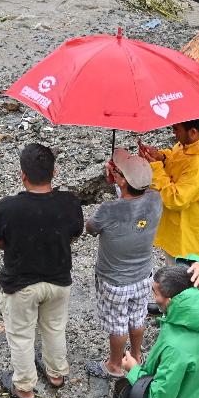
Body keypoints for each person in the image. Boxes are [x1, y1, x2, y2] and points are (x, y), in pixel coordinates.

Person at [0, 143, 84, 398]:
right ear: (54, 172)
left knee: (21, 335)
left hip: (20, 283)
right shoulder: (70, 202)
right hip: (58, 280)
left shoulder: (8, 207)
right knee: (54, 328)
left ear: (23, 175)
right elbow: (75, 234)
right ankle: (56, 374)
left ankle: (25, 386)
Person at [84, 149, 163, 379]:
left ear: (122, 180)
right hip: (143, 273)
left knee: (117, 323)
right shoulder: (156, 199)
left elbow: (90, 228)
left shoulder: (109, 209)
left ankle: (115, 366)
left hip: (114, 280)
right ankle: (136, 357)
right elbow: (133, 199)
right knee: (137, 316)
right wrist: (118, 182)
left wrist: (116, 184)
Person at [119, 258, 199, 398]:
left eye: (155, 293)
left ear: (170, 301)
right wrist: (198, 263)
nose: (153, 297)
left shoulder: (175, 346)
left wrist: (133, 370)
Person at [138, 118, 199, 262]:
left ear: (193, 132)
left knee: (183, 281)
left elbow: (177, 200)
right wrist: (162, 157)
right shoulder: (188, 144)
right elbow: (178, 162)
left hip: (188, 241)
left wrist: (156, 169)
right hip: (176, 232)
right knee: (173, 275)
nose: (174, 133)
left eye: (176, 129)